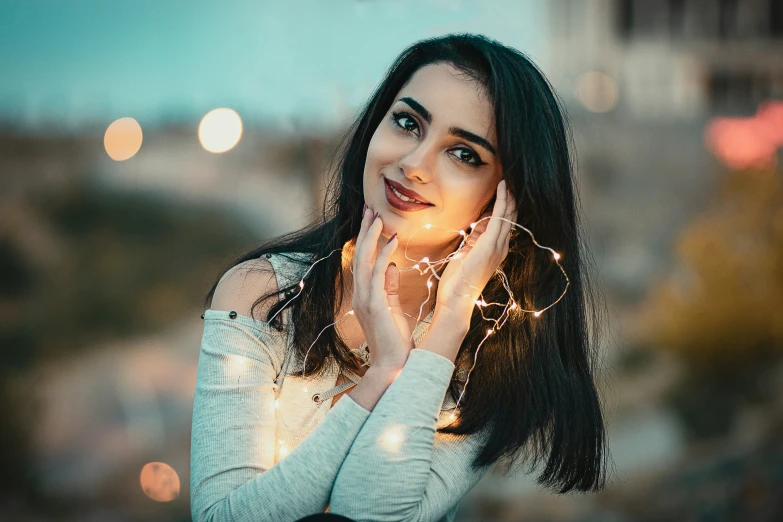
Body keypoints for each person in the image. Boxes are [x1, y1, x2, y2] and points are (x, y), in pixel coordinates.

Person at [190, 33, 609, 522]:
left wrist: (446, 328)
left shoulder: (492, 353)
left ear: (502, 202)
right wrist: (381, 373)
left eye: (465, 154)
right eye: (408, 123)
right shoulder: (263, 296)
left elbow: (372, 513)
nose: (414, 164)